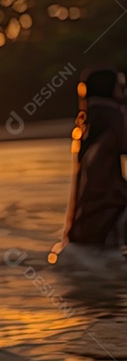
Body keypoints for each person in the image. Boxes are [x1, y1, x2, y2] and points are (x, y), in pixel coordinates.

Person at [65, 68, 127, 246]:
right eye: (120, 86)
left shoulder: (85, 122)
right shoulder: (114, 116)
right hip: (106, 220)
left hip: (82, 226)